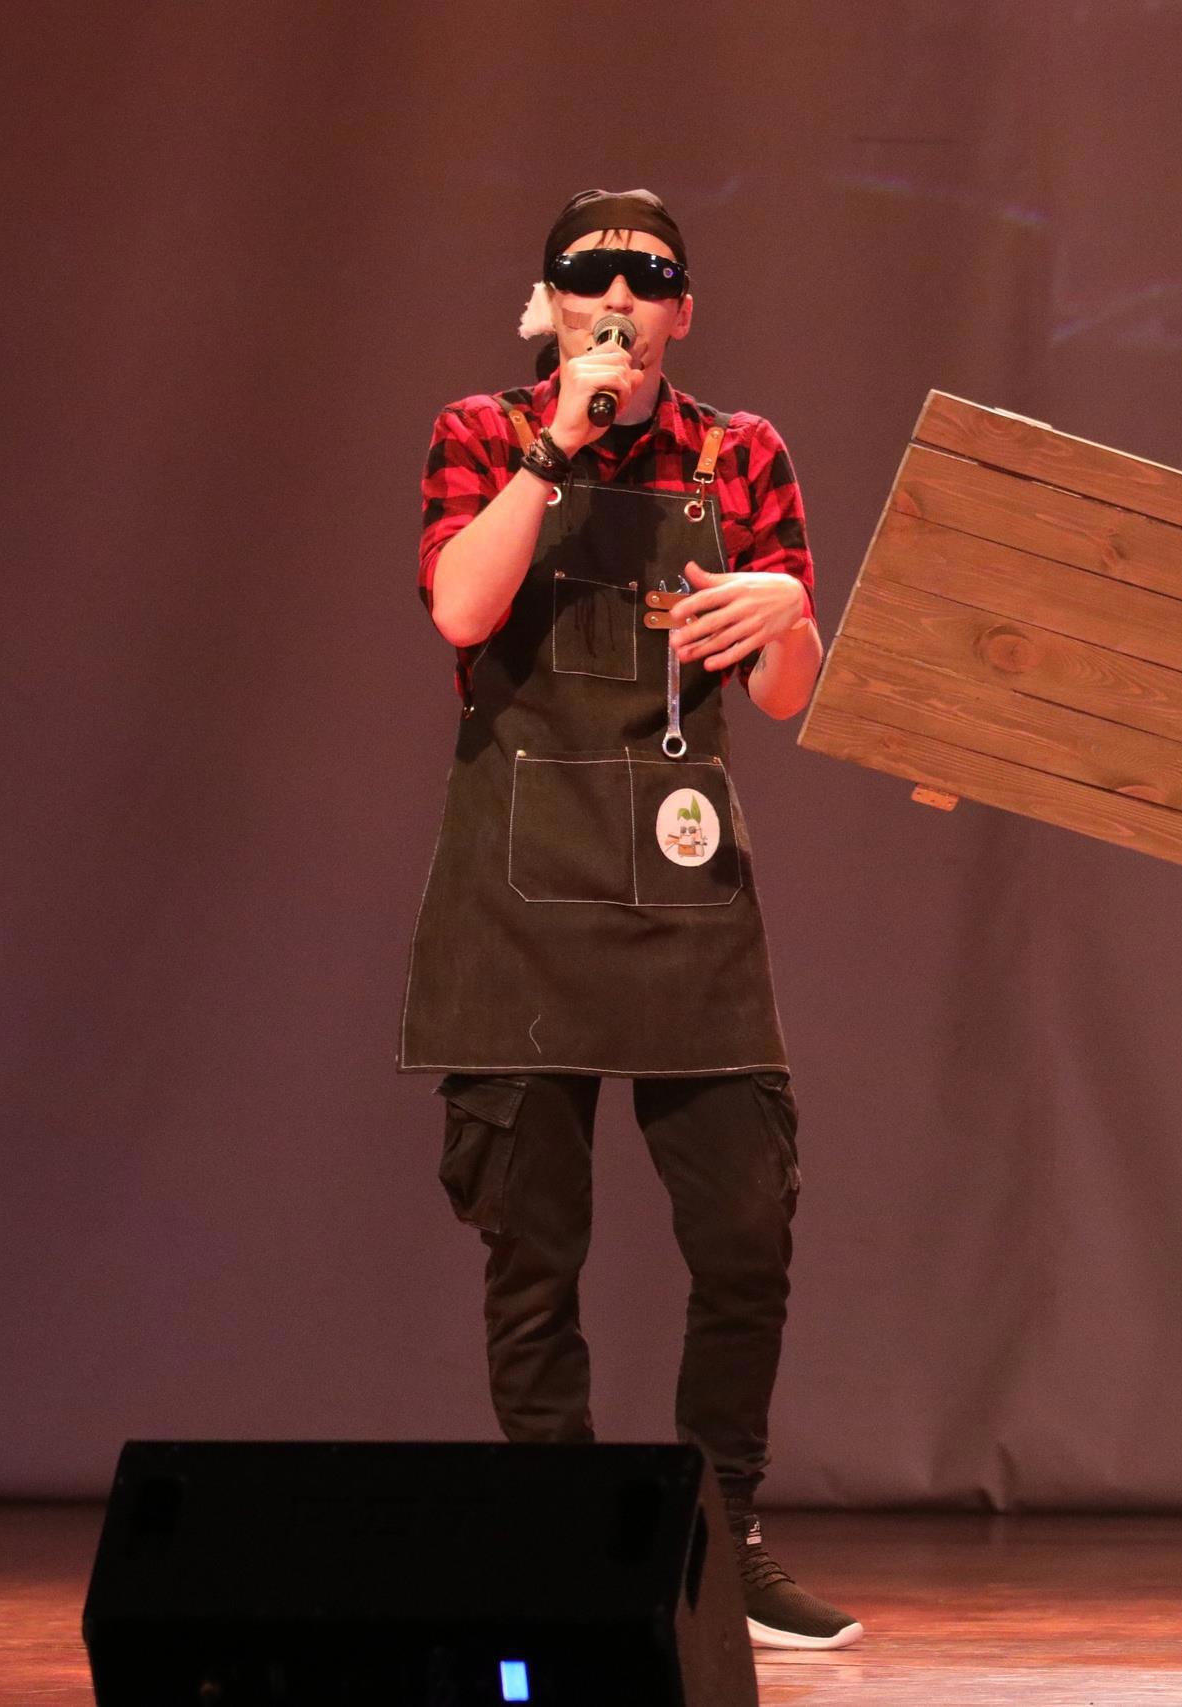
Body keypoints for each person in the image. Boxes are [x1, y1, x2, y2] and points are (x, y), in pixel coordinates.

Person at [400, 188, 857, 1651]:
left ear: (684, 310)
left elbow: (788, 698)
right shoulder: (483, 431)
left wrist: (787, 611)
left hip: (680, 877)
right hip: (519, 878)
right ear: (549, 305)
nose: (619, 300)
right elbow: (462, 611)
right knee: (533, 1245)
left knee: (745, 1226)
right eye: (588, 277)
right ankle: (564, 1548)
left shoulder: (744, 452)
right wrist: (559, 442)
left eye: (648, 279)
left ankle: (722, 1543)